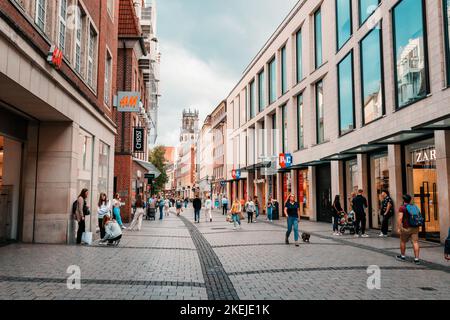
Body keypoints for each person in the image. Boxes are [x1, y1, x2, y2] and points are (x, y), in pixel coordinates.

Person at [396, 195, 421, 265]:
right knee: (415, 242)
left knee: (403, 241)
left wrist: (399, 228)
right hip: (415, 227)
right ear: (410, 200)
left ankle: (403, 256)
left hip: (406, 228)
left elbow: (400, 218)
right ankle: (416, 259)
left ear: (404, 200)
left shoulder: (402, 207)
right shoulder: (414, 206)